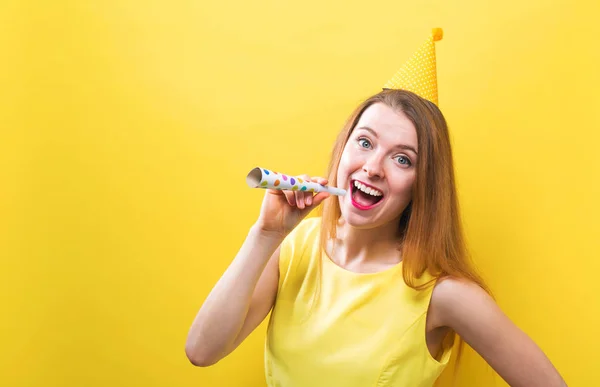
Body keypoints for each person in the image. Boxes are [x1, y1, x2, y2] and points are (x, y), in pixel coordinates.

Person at [185, 29, 567, 386]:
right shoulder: (294, 246)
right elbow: (202, 351)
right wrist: (266, 235)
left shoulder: (442, 293)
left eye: (402, 159)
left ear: (423, 186)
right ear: (344, 147)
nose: (372, 167)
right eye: (365, 143)